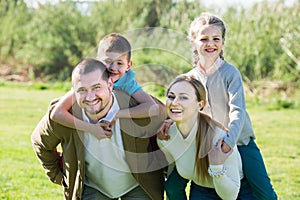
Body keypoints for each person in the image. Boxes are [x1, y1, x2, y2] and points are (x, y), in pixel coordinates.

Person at [160, 13, 277, 200]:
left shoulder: (230, 73)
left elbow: (237, 110)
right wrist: (169, 121)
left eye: (216, 39)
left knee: (266, 194)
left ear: (222, 42)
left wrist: (229, 142)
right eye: (204, 39)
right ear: (193, 42)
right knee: (173, 187)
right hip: (202, 142)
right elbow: (180, 106)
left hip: (239, 141)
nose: (210, 44)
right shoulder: (189, 78)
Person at [31, 58, 167, 199]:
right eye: (82, 90)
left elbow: (167, 117)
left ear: (110, 84)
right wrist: (60, 177)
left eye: (96, 88)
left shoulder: (134, 106)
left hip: (138, 185)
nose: (90, 97)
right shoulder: (65, 116)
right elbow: (40, 142)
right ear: (73, 91)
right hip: (93, 188)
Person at [157, 75, 256, 199]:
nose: (174, 103)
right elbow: (174, 170)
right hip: (201, 188)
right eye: (171, 97)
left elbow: (230, 196)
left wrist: (216, 165)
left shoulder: (219, 139)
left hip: (236, 190)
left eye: (183, 98)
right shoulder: (166, 137)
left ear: (200, 104)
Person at [50, 33, 160, 140]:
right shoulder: (88, 80)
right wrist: (91, 129)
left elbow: (153, 108)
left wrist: (117, 114)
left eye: (119, 63)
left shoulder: (127, 82)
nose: (113, 67)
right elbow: (57, 113)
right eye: (108, 61)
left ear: (128, 65)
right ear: (98, 60)